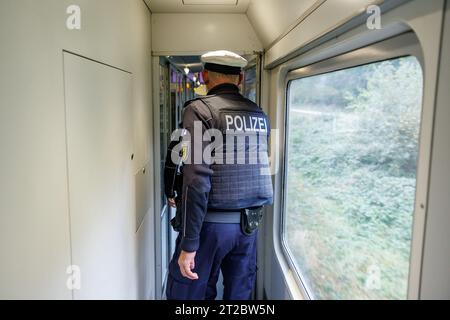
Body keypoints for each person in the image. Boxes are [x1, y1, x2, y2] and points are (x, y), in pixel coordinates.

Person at [166, 50, 273, 300]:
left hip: (209, 226)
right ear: (239, 79)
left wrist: (190, 243)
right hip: (249, 227)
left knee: (190, 293)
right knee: (239, 295)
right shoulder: (259, 115)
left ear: (204, 77)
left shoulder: (200, 110)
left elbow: (196, 179)